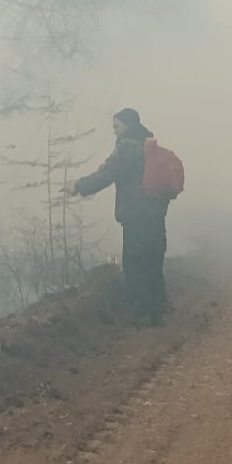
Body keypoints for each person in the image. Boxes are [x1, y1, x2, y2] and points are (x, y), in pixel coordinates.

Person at [63, 108, 170, 326]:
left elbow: (106, 174)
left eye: (116, 126)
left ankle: (141, 315)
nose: (114, 131)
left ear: (128, 125)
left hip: (136, 215)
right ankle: (158, 311)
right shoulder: (149, 144)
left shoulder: (127, 147)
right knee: (153, 262)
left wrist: (78, 186)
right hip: (156, 214)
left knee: (134, 264)